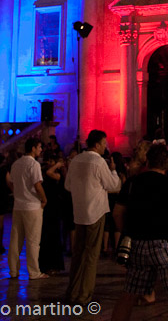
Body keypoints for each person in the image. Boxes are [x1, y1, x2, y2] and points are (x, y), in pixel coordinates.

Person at [111, 143, 168, 321]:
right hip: (166, 245)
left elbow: (117, 213)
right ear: (167, 163)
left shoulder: (132, 183)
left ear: (147, 160)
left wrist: (127, 231)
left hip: (138, 244)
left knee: (128, 296)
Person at [65, 129, 121, 305]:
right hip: (95, 212)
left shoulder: (75, 161)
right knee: (91, 256)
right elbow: (113, 186)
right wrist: (113, 171)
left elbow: (68, 185)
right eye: (104, 144)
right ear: (97, 145)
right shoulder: (98, 162)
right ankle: (84, 295)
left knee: (78, 255)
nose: (106, 147)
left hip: (79, 212)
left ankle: (72, 292)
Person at [7, 138, 48, 279]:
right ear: (33, 148)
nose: (41, 149)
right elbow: (37, 185)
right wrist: (44, 199)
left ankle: (13, 270)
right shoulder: (34, 164)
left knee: (15, 239)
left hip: (18, 205)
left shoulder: (16, 163)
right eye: (39, 147)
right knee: (33, 240)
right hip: (32, 206)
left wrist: (18, 193)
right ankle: (34, 271)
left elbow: (11, 182)